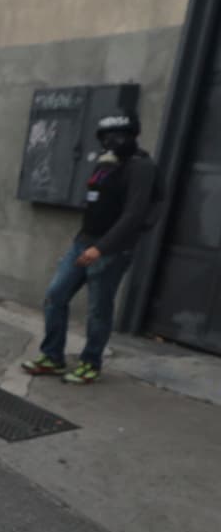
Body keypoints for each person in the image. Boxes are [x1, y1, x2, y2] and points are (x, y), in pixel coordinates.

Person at [22, 111, 159, 384]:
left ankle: (90, 363)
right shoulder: (105, 163)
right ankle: (53, 357)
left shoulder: (141, 167)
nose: (113, 141)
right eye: (107, 137)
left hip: (111, 250)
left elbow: (134, 215)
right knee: (55, 296)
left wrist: (102, 248)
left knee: (98, 309)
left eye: (119, 136)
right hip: (83, 242)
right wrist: (83, 240)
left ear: (132, 136)